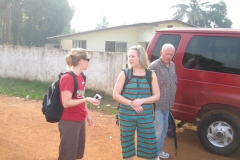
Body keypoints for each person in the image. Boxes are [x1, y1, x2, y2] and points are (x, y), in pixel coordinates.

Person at [113, 45, 160, 160]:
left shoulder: (151, 75)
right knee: (127, 141)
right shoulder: (124, 74)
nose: (130, 58)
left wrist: (142, 100)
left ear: (141, 57)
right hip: (126, 115)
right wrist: (131, 103)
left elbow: (157, 96)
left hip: (145, 115)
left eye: (133, 56)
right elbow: (115, 94)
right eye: (129, 56)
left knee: (149, 141)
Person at [58, 48, 100, 160]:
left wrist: (87, 115)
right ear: (81, 61)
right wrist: (86, 99)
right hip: (69, 121)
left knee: (76, 154)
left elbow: (80, 97)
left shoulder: (81, 76)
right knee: (68, 155)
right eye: (88, 59)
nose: (89, 62)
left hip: (79, 120)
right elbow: (66, 103)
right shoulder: (67, 78)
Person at [149, 43, 177, 159]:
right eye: (167, 53)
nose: (169, 56)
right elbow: (146, 86)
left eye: (171, 54)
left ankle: (158, 151)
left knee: (164, 130)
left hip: (167, 105)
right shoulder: (153, 66)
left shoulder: (172, 65)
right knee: (158, 131)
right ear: (161, 53)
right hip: (157, 106)